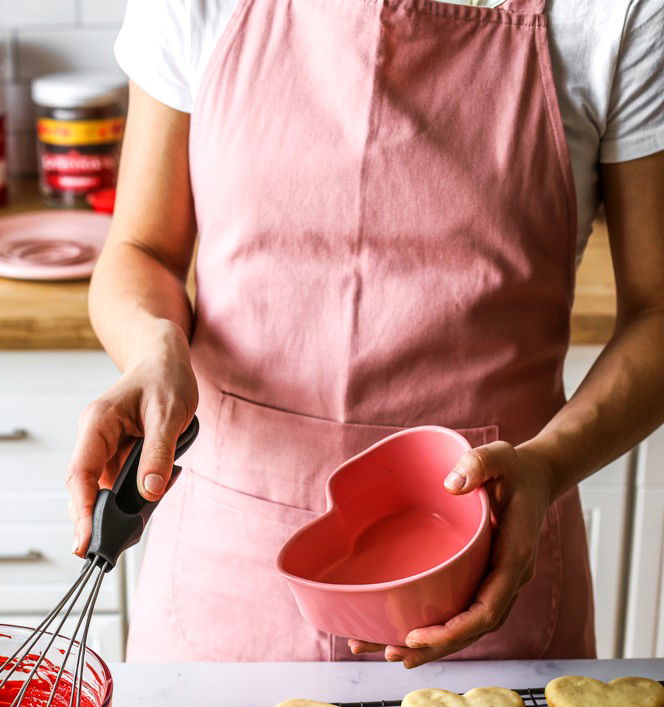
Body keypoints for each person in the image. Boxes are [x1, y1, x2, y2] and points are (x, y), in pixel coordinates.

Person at [66, 0, 664, 666]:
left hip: (486, 562)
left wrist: (550, 465)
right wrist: (152, 347)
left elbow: (658, 310)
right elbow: (141, 248)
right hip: (227, 565)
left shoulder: (618, 13)